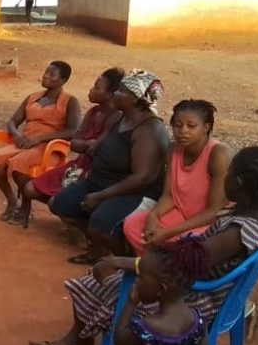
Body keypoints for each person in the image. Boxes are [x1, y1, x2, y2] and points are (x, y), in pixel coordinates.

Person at [29, 145, 258, 345]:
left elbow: (182, 265)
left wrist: (126, 262)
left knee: (99, 280)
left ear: (239, 184)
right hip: (215, 291)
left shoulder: (237, 232)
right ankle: (76, 343)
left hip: (194, 299)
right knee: (119, 273)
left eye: (230, 173)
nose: (225, 178)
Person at [49, 69, 170, 264]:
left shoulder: (150, 130)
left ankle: (124, 258)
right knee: (60, 204)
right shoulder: (122, 118)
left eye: (121, 91)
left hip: (133, 192)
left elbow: (143, 178)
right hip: (101, 183)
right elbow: (98, 146)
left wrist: (101, 196)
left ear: (135, 99)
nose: (115, 94)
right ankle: (99, 248)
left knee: (100, 221)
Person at [123, 100, 232, 255]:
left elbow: (214, 211)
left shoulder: (218, 154)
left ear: (206, 128)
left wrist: (170, 232)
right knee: (133, 225)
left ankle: (161, 268)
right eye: (178, 125)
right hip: (182, 214)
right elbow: (169, 196)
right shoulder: (174, 149)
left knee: (186, 243)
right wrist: (153, 216)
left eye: (191, 126)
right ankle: (153, 266)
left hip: (208, 222)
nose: (183, 131)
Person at [18, 67, 125, 217]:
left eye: (96, 88)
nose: (91, 90)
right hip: (79, 164)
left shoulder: (116, 116)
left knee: (57, 200)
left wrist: (86, 145)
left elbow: (95, 148)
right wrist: (86, 145)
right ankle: (67, 212)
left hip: (93, 170)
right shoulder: (93, 112)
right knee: (30, 189)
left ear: (109, 94)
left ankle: (75, 222)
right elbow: (74, 142)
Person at [0, 60, 81, 225]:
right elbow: (13, 122)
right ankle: (12, 201)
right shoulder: (32, 97)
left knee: (18, 163)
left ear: (63, 80)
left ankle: (26, 207)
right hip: (24, 143)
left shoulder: (70, 102)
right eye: (46, 72)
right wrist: (17, 135)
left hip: (49, 148)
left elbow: (72, 131)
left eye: (52, 74)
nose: (45, 76)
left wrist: (39, 139)